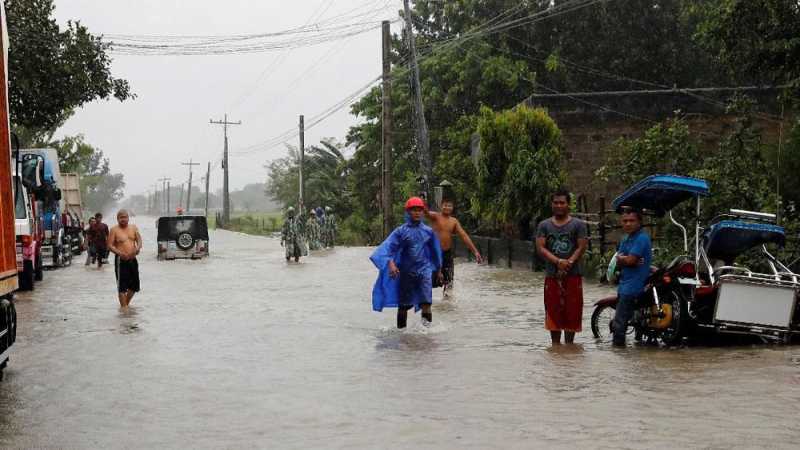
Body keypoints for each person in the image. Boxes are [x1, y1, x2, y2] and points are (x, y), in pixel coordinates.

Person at [370, 197, 443, 328]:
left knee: (426, 303)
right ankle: (401, 334)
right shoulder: (400, 231)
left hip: (424, 271)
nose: (417, 213)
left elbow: (435, 252)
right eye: (413, 210)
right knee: (404, 305)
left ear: (423, 212)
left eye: (419, 210)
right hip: (406, 272)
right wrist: (391, 263)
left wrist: (438, 270)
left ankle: (427, 333)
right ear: (408, 212)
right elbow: (387, 249)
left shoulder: (428, 232)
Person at [535, 188, 589, 345]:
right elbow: (541, 248)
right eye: (556, 202)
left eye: (562, 203)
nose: (559, 206)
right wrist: (558, 262)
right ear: (551, 204)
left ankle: (569, 349)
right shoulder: (544, 225)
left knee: (572, 312)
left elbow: (581, 247)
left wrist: (568, 263)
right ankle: (556, 348)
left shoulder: (578, 225)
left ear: (568, 205)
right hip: (552, 276)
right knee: (553, 312)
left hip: (573, 275)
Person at [424, 199, 482, 296]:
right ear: (441, 206)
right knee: (429, 281)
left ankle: (447, 305)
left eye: (450, 206)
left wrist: (475, 252)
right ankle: (426, 304)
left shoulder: (454, 221)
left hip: (447, 253)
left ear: (453, 208)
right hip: (434, 254)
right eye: (445, 205)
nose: (447, 207)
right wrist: (423, 202)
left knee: (449, 282)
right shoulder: (435, 216)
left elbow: (464, 235)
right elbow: (426, 213)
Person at [612, 207, 652, 347]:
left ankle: (618, 351)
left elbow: (629, 260)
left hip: (633, 286)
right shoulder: (626, 239)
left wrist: (624, 259)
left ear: (639, 222)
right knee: (634, 318)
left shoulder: (641, 238)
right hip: (625, 283)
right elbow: (622, 258)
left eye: (631, 220)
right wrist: (625, 259)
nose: (628, 224)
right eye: (625, 221)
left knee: (619, 323)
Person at [107, 210, 142, 308]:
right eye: (121, 217)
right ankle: (124, 310)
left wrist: (137, 249)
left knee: (135, 286)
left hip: (132, 259)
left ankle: (124, 306)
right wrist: (120, 253)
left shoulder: (134, 228)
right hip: (121, 261)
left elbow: (139, 240)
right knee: (122, 287)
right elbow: (109, 245)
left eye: (125, 217)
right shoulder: (114, 230)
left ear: (128, 218)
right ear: (117, 219)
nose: (123, 219)